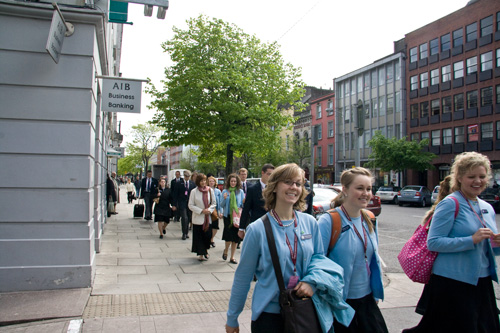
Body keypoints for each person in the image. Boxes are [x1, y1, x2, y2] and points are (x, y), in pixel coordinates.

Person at [225, 163, 354, 333]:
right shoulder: (257, 229)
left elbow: (320, 261)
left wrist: (311, 283)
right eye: (288, 182)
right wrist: (232, 317)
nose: (294, 187)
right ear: (274, 186)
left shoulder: (310, 223)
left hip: (305, 310)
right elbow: (243, 277)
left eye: (298, 183)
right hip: (269, 316)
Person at [403, 152, 500, 333]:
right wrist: (471, 239)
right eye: (471, 177)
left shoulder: (486, 207)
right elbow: (434, 242)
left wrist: (496, 243)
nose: (477, 181)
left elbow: (488, 249)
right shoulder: (450, 203)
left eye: (482, 176)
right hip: (453, 282)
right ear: (460, 178)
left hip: (482, 282)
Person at [318, 167, 388, 333]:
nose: (365, 193)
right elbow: (317, 261)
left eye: (369, 189)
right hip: (340, 303)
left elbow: (372, 259)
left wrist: (375, 293)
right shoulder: (329, 221)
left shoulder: (369, 218)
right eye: (359, 188)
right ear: (345, 190)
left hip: (367, 301)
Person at [238, 163, 274, 240]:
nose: (270, 177)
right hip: (257, 224)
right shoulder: (252, 189)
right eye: (269, 174)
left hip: (272, 225)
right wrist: (241, 228)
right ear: (262, 173)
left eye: (272, 175)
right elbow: (246, 209)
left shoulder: (275, 189)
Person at [188, 173, 216, 261]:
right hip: (198, 218)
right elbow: (190, 205)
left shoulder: (210, 190)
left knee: (207, 236)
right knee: (199, 237)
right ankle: (201, 253)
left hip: (208, 218)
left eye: (204, 180)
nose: (203, 182)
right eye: (201, 181)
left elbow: (214, 203)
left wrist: (209, 210)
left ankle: (206, 250)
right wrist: (201, 210)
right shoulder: (194, 192)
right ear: (198, 182)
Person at [221, 174, 245, 264]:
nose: (233, 183)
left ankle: (232, 257)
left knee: (235, 238)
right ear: (229, 182)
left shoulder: (240, 192)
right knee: (228, 237)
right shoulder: (225, 191)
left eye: (235, 181)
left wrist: (243, 202)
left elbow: (242, 205)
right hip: (228, 216)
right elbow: (222, 205)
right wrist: (224, 199)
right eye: (231, 181)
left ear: (237, 182)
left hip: (237, 217)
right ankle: (226, 250)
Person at [173, 170, 195, 240]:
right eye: (186, 176)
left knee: (188, 218)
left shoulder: (192, 184)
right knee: (184, 217)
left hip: (190, 203)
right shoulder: (179, 183)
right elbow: (175, 194)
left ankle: (186, 232)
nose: (187, 178)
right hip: (182, 203)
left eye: (188, 176)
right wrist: (174, 204)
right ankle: (184, 233)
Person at [208, 176, 223, 248]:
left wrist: (221, 212)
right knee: (208, 226)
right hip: (208, 210)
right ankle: (209, 239)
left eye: (212, 181)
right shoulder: (206, 190)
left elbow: (220, 202)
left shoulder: (218, 191)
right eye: (210, 181)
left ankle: (211, 238)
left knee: (215, 227)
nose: (211, 183)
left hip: (215, 210)